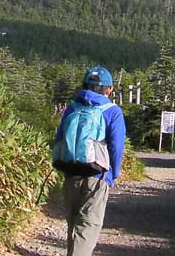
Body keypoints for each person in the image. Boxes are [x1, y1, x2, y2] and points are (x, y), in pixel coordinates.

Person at [54, 66, 126, 256]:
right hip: (97, 174)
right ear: (109, 89)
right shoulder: (112, 111)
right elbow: (116, 146)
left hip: (70, 170)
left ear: (84, 85)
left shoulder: (72, 108)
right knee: (88, 224)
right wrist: (113, 173)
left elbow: (59, 138)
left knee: (73, 220)